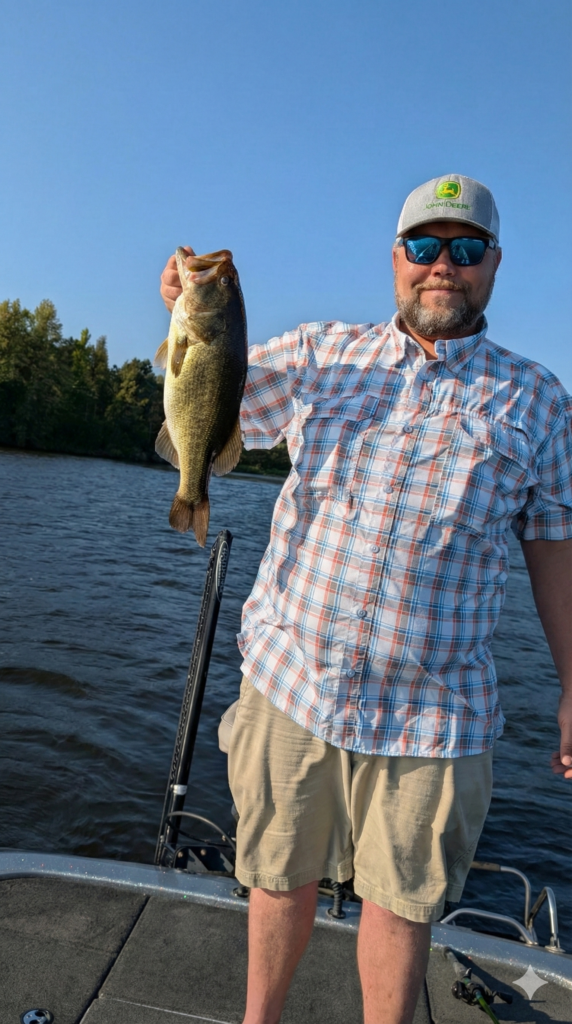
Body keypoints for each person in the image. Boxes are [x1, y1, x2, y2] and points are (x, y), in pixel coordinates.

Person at [160, 174, 572, 1024]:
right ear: (396, 259)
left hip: (437, 712)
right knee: (277, 875)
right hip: (294, 680)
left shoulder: (539, 399)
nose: (443, 265)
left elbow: (554, 547)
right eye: (424, 245)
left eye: (466, 248)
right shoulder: (320, 353)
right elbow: (216, 400)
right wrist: (183, 309)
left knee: (403, 903)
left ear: (494, 265)